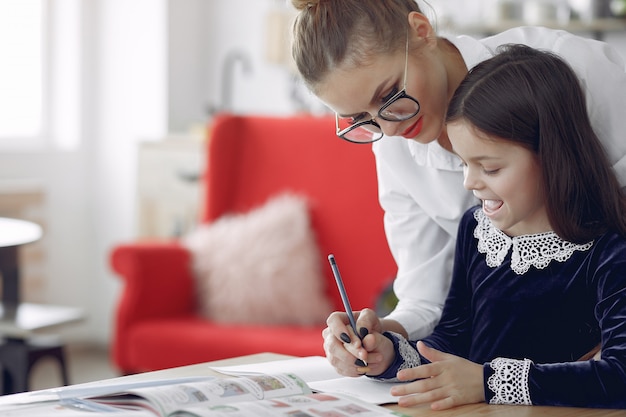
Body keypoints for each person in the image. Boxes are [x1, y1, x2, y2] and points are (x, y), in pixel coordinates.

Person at [289, 0, 626, 375]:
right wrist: (380, 340)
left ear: (421, 31)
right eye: (360, 120)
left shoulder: (571, 71)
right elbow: (429, 299)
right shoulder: (393, 149)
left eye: (388, 96)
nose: (390, 128)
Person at [351, 44, 626, 409]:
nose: (469, 182)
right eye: (464, 163)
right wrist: (387, 355)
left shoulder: (607, 249)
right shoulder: (475, 230)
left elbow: (618, 376)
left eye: (490, 168)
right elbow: (452, 340)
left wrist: (487, 382)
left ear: (551, 155)